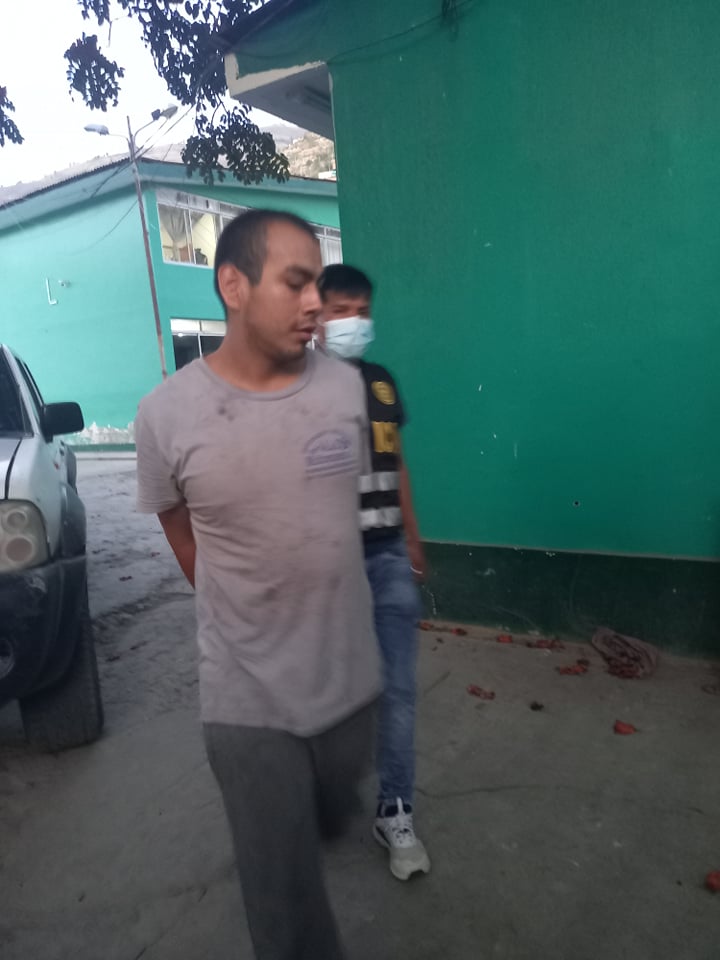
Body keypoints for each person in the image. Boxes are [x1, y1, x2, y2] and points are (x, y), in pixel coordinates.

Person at [135, 211, 381, 960]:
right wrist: (232, 604)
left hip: (352, 683)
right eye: (297, 283)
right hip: (245, 700)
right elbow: (176, 524)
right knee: (284, 900)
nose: (316, 303)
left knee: (334, 810)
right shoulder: (165, 415)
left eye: (319, 285)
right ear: (233, 286)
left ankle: (324, 804)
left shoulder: (344, 390)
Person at [318, 264, 431, 882]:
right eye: (339, 311)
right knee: (326, 690)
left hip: (387, 556)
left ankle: (395, 810)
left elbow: (399, 463)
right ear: (316, 319)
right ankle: (321, 793)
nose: (353, 322)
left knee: (398, 689)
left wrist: (413, 537)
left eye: (361, 310)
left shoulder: (382, 382)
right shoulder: (298, 386)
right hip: (327, 564)